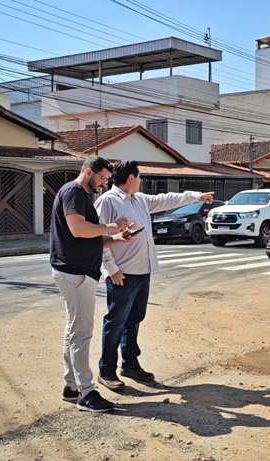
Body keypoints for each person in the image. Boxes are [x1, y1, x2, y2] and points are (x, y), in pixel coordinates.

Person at [94, 160, 214, 391]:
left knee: (134, 320)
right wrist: (112, 269)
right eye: (139, 177)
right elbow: (100, 238)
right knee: (116, 321)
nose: (140, 181)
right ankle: (106, 370)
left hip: (143, 272)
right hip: (123, 274)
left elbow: (167, 199)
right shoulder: (107, 201)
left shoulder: (139, 200)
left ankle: (130, 364)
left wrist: (196, 196)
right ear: (130, 178)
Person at [50, 155, 135, 413]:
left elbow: (88, 238)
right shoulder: (74, 191)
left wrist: (116, 238)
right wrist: (111, 226)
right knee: (81, 332)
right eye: (102, 178)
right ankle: (86, 393)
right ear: (89, 172)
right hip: (75, 273)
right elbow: (78, 229)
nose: (103, 184)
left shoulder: (79, 195)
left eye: (106, 180)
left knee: (74, 328)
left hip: (75, 270)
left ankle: (72, 386)